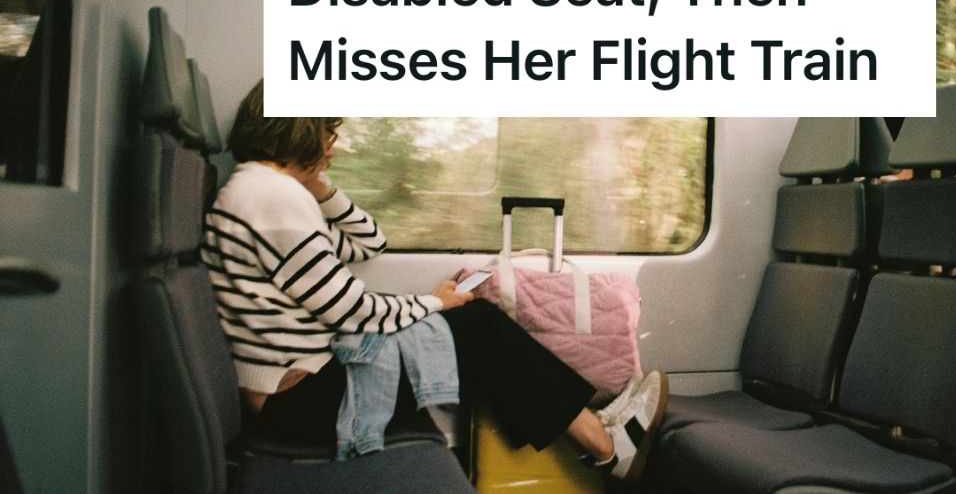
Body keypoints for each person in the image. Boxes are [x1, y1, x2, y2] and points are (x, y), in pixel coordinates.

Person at [200, 80, 667, 482]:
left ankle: (599, 435)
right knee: (476, 325)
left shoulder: (262, 190)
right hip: (301, 405)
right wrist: (433, 303)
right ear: (298, 124)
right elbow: (352, 310)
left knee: (469, 321)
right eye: (328, 130)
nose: (333, 145)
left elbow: (369, 243)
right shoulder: (271, 197)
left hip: (299, 392)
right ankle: (606, 445)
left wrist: (319, 187)